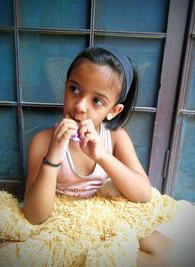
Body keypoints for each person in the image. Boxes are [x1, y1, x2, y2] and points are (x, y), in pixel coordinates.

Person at [22, 44, 172, 267]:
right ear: (65, 87)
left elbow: (142, 193)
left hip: (106, 216)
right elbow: (35, 215)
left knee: (167, 253)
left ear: (113, 110)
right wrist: (53, 156)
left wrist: (102, 155)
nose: (80, 106)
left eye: (97, 101)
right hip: (63, 222)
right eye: (74, 89)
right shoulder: (43, 141)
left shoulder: (116, 137)